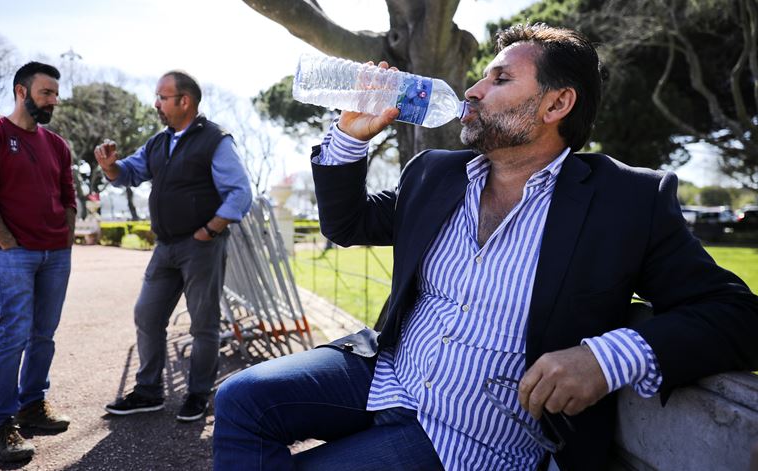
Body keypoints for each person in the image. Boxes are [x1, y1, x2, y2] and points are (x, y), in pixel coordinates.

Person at [212, 23, 758, 470]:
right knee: (239, 399)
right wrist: (351, 137)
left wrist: (606, 358)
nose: (472, 91)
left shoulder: (626, 200)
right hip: (387, 372)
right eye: (480, 78)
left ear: (556, 104)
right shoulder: (434, 172)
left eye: (499, 79)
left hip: (472, 432)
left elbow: (735, 314)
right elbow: (348, 224)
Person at [95, 70, 252, 423]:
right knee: (147, 315)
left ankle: (198, 394)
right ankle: (148, 393)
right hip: (165, 247)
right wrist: (110, 167)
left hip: (201, 247)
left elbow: (240, 191)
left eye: (163, 97)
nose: (156, 104)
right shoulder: (158, 142)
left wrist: (210, 230)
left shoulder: (216, 140)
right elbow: (129, 172)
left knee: (203, 325)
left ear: (185, 101)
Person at [0, 61, 76, 462]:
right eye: (47, 93)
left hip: (56, 254)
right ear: (22, 91)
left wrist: (65, 240)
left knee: (44, 334)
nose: (54, 101)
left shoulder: (57, 145)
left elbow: (69, 196)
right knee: (13, 334)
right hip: (15, 254)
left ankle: (32, 406)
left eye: (56, 94)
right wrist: (7, 243)